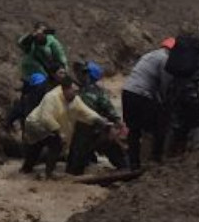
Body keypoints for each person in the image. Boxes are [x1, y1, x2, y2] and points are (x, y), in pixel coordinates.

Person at [22, 77, 105, 178]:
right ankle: (43, 171)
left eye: (77, 91)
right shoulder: (51, 97)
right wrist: (59, 132)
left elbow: (86, 112)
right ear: (65, 89)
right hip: (36, 124)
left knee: (46, 145)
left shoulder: (75, 100)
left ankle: (44, 170)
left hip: (50, 126)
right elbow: (46, 117)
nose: (76, 94)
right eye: (74, 91)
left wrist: (100, 120)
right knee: (50, 143)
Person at [122, 38, 174, 170]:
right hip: (141, 95)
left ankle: (134, 163)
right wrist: (166, 102)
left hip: (127, 91)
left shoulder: (149, 55)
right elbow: (164, 84)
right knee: (157, 125)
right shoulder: (164, 58)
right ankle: (155, 157)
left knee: (133, 129)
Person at [66, 61, 127, 174]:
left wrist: (118, 123)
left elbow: (109, 110)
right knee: (75, 163)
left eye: (84, 72)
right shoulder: (80, 89)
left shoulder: (94, 92)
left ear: (89, 75)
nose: (81, 75)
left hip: (92, 128)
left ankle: (123, 166)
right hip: (86, 129)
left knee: (77, 162)